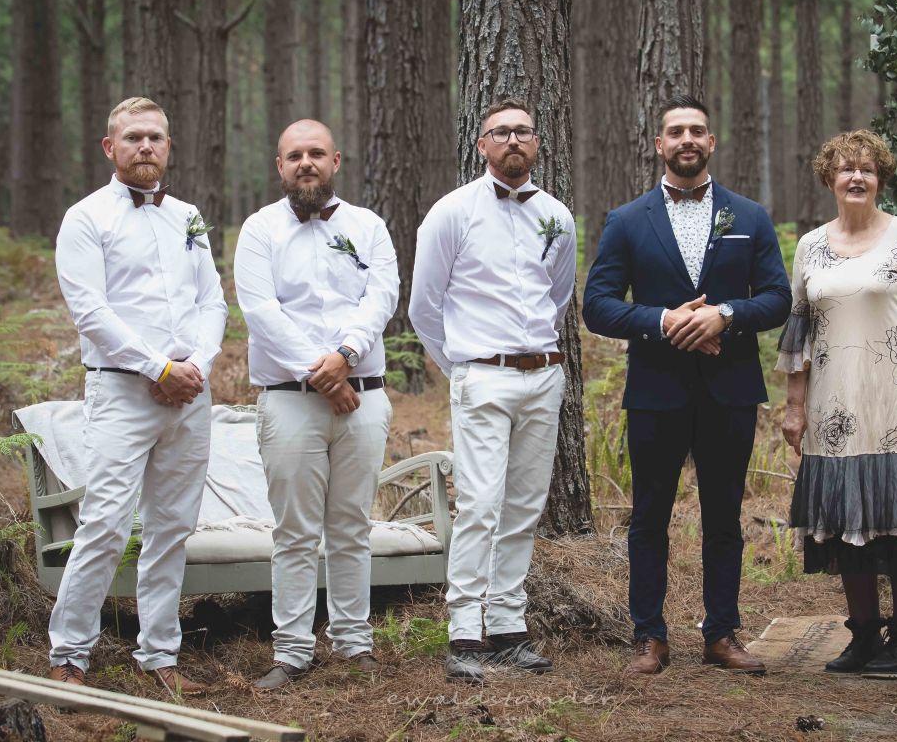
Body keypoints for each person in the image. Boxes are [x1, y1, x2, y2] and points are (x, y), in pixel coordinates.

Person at [582, 94, 790, 676]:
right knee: (649, 517)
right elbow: (597, 305)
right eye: (676, 131)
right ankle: (649, 636)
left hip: (730, 390)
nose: (687, 140)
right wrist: (663, 321)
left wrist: (725, 314)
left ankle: (721, 634)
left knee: (724, 517)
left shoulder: (749, 217)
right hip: (657, 390)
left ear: (711, 142)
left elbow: (778, 297)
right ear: (659, 144)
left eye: (697, 130)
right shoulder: (627, 220)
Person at [49, 97, 227, 694]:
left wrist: (196, 365)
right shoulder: (85, 218)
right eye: (132, 138)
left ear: (169, 146)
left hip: (190, 393)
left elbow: (212, 301)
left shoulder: (187, 216)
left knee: (172, 526)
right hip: (123, 390)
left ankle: (159, 654)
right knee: (104, 523)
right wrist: (158, 368)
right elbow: (90, 311)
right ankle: (70, 654)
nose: (144, 146)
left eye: (154, 137)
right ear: (110, 147)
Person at [777, 129, 897, 678]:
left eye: (867, 169)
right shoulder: (810, 246)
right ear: (829, 178)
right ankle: (862, 636)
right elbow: (799, 333)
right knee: (844, 519)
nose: (856, 177)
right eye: (846, 168)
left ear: (880, 179)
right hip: (835, 407)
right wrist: (794, 406)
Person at [409, 97, 576, 684]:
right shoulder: (452, 213)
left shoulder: (557, 216)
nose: (512, 141)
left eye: (523, 131)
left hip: (543, 375)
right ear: (482, 145)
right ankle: (463, 632)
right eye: (500, 132)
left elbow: (558, 297)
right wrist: (462, 366)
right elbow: (423, 305)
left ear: (537, 143)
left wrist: (534, 356)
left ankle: (508, 627)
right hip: (481, 374)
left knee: (524, 506)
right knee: (480, 504)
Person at [234, 120, 399, 689]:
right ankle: (292, 651)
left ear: (336, 161)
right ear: (279, 166)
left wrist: (346, 355)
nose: (306, 163)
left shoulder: (369, 226)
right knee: (296, 531)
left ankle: (354, 644)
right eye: (294, 155)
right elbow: (261, 311)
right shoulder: (259, 230)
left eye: (316, 153)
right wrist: (322, 374)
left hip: (364, 398)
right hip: (290, 402)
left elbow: (381, 296)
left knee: (352, 524)